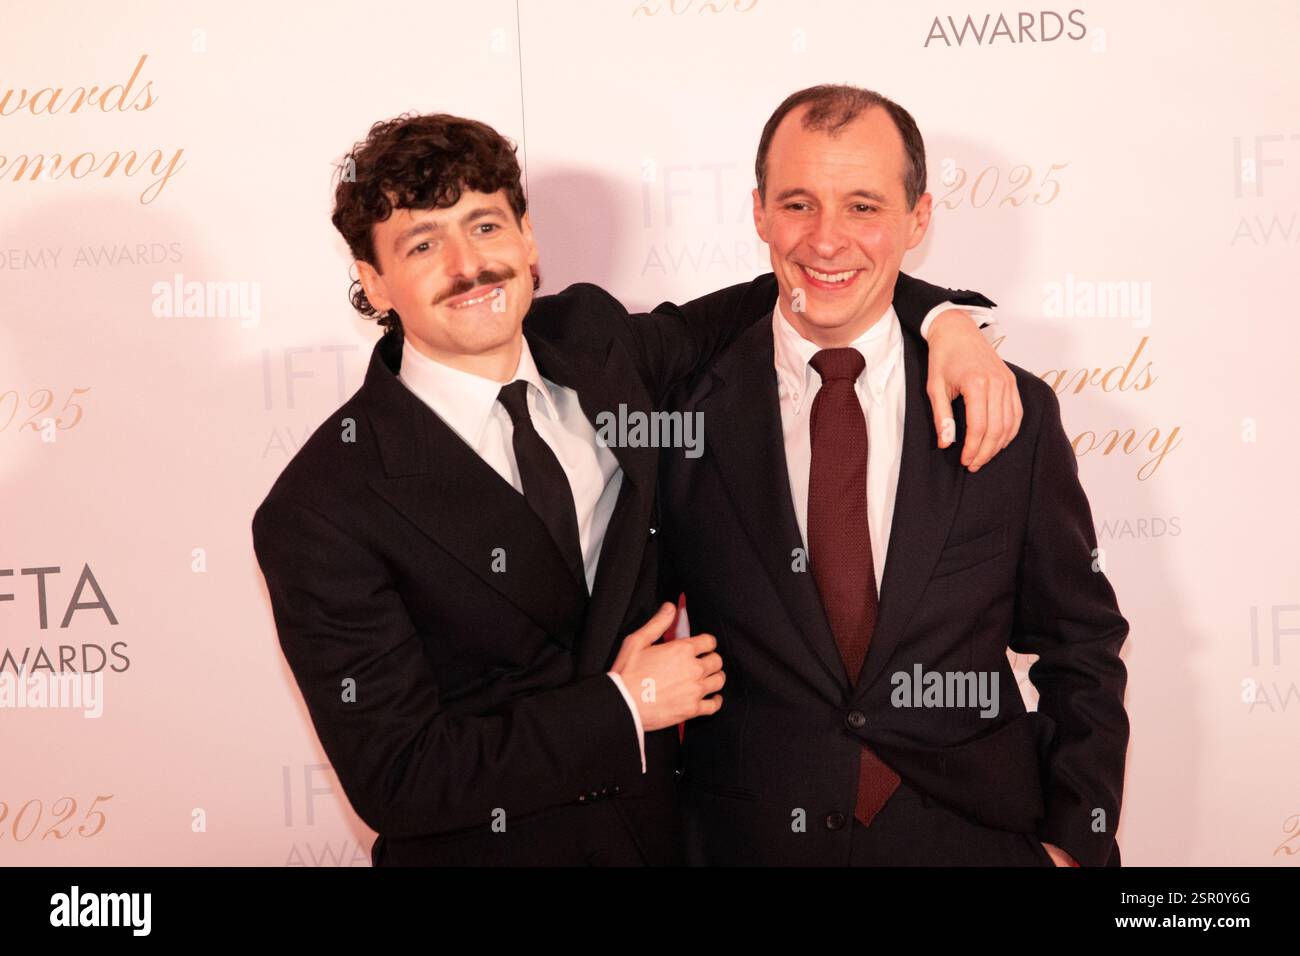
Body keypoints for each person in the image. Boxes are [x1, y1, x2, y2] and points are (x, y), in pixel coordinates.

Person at [252, 111, 1013, 865]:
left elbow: (808, 282)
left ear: (527, 239)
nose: (466, 264)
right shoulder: (322, 507)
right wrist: (621, 710)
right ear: (373, 281)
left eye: (484, 227)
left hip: (669, 846)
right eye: (422, 243)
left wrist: (946, 323)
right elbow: (399, 778)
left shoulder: (598, 347)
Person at [656, 84, 1130, 867]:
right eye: (799, 204)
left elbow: (1081, 645)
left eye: (864, 207)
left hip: (973, 836)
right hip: (749, 843)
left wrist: (1076, 845)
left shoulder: (1010, 408)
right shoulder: (678, 411)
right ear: (759, 212)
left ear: (919, 218)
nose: (827, 241)